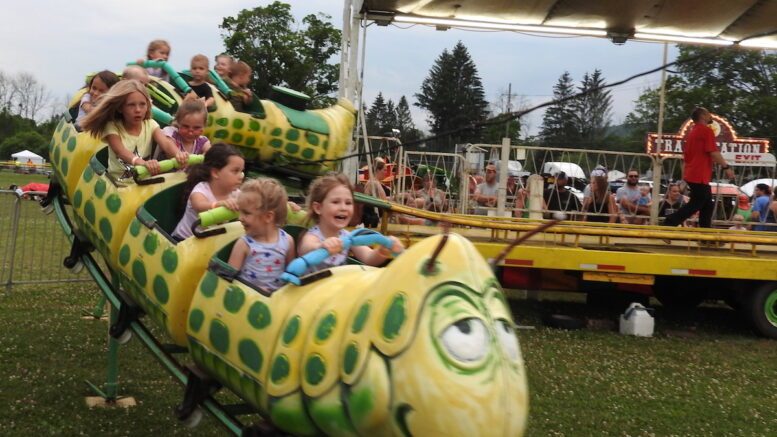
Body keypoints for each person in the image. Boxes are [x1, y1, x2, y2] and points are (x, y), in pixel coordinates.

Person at [298, 173, 404, 274]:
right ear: (318, 208)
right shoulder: (313, 236)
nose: (343, 208)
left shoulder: (347, 236)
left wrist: (383, 251)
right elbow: (306, 248)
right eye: (336, 202)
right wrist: (321, 246)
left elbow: (369, 258)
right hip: (312, 290)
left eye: (348, 203)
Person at [79, 80, 185, 179]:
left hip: (142, 181)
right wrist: (142, 162)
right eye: (131, 105)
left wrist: (178, 154)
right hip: (119, 183)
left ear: (148, 106)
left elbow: (165, 142)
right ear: (120, 108)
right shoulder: (112, 127)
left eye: (142, 104)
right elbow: (121, 152)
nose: (138, 110)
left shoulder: (150, 124)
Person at [664, 107, 735, 228]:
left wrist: (684, 177)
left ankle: (705, 234)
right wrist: (726, 167)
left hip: (693, 173)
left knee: (707, 204)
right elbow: (713, 152)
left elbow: (687, 157)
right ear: (702, 116)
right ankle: (669, 222)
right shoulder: (705, 131)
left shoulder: (693, 132)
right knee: (696, 204)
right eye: (707, 113)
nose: (710, 116)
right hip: (699, 175)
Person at [227, 178, 295, 294]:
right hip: (246, 301)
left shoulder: (287, 241)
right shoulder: (244, 244)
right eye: (241, 212)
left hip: (275, 303)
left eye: (246, 213)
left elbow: (291, 275)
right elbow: (227, 281)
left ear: (268, 217)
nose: (240, 218)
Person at [171, 144, 244, 240]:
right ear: (216, 173)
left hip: (208, 243)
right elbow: (199, 205)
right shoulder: (201, 189)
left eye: (241, 171)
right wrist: (218, 205)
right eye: (235, 171)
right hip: (182, 240)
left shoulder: (236, 194)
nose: (241, 176)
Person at [359, 158, 390, 228]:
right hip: (374, 216)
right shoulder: (373, 183)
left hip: (378, 212)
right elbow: (384, 201)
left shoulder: (375, 182)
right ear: (378, 170)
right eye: (384, 170)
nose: (386, 173)